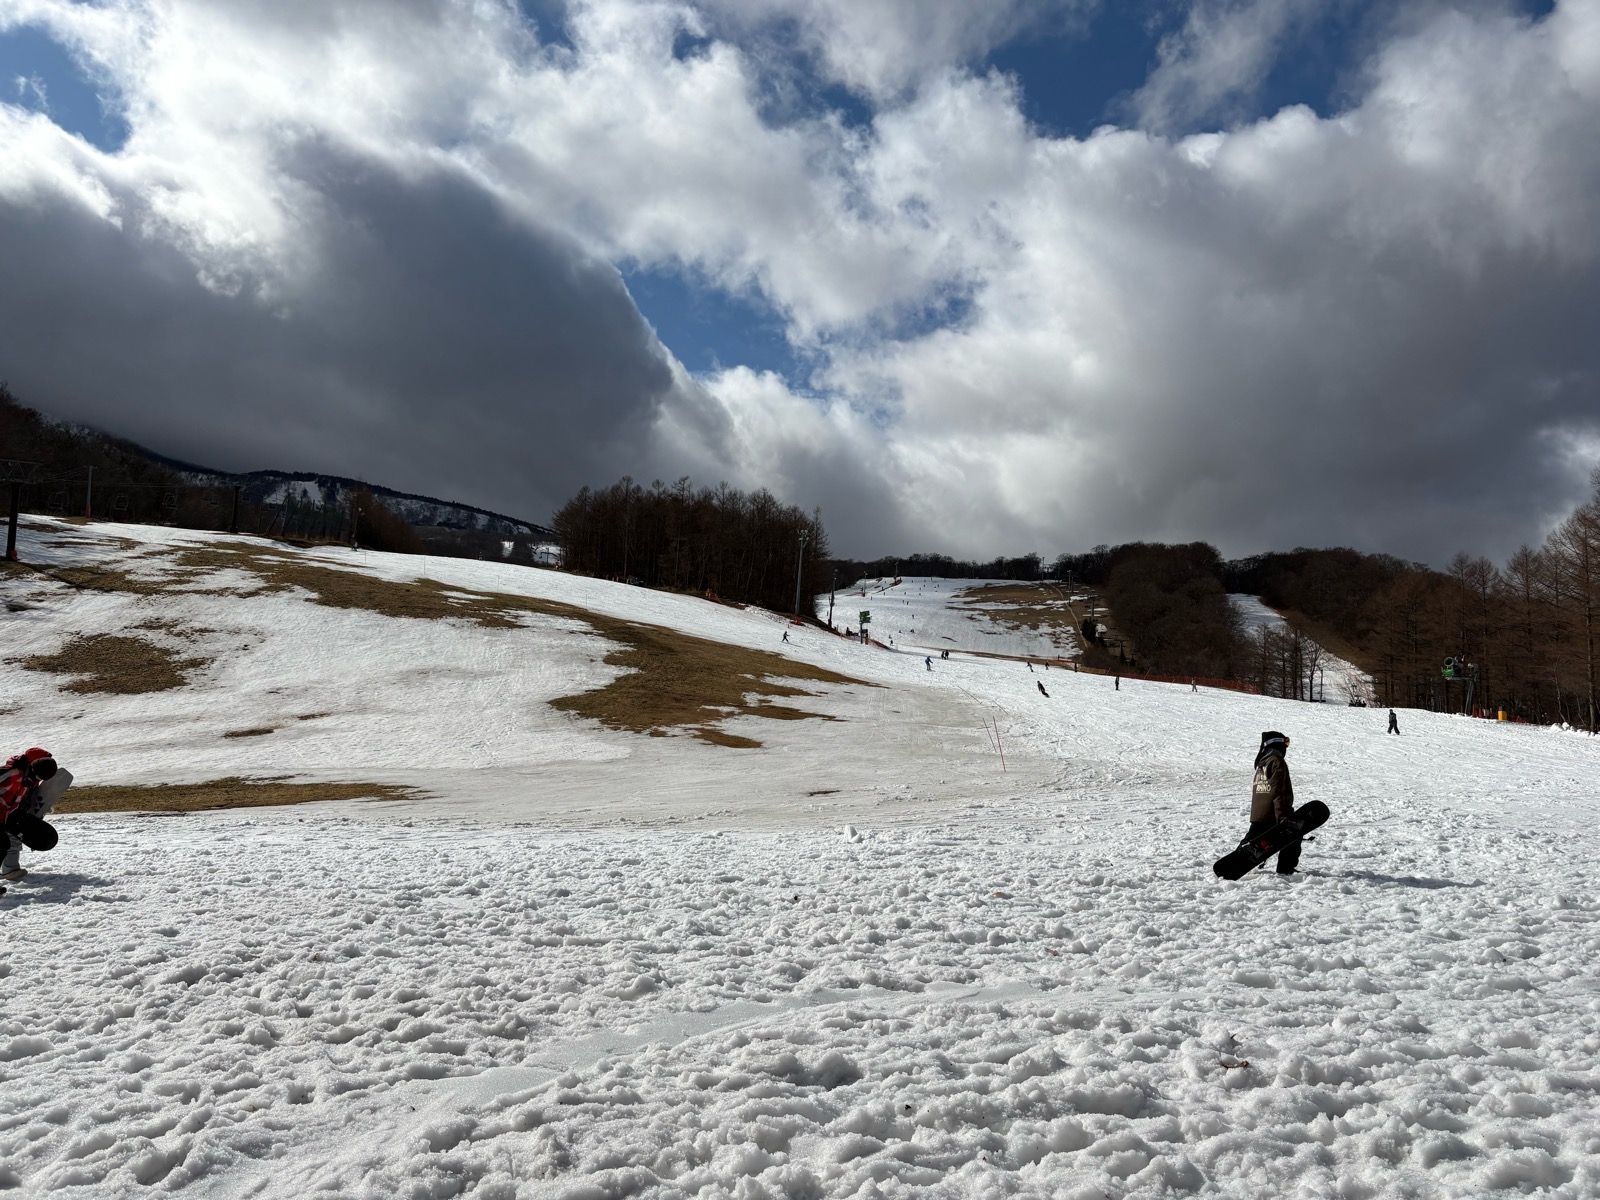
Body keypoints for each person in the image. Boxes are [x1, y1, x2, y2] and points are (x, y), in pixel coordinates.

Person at [2, 748, 64, 882]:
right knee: (7, 842)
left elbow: (17, 802)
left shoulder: (27, 781)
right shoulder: (13, 774)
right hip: (6, 815)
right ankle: (10, 869)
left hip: (8, 816)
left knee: (5, 843)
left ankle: (10, 869)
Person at [1243, 731, 1300, 875]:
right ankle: (1285, 870)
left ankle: (1233, 863)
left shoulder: (1262, 762)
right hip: (1273, 812)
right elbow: (1278, 790)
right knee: (1293, 835)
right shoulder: (1276, 761)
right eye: (1285, 743)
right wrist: (1283, 816)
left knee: (1251, 842)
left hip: (1259, 813)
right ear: (1278, 743)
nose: (1286, 747)